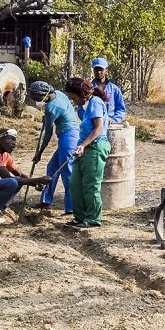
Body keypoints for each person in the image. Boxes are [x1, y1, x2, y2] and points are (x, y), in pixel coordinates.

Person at [63, 77, 111, 228]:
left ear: (81, 93)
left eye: (73, 96)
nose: (72, 99)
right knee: (75, 182)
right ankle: (79, 216)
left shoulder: (95, 102)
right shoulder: (82, 107)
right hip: (84, 147)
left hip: (96, 147)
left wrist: (83, 145)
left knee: (91, 185)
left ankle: (92, 218)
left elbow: (98, 128)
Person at [28, 81, 80, 215]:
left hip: (68, 137)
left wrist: (40, 152)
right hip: (67, 136)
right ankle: (46, 200)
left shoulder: (50, 108)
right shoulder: (58, 93)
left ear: (43, 96)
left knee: (67, 173)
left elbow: (48, 133)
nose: (37, 102)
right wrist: (48, 119)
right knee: (52, 168)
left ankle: (71, 208)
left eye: (37, 99)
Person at [91, 57, 128, 124]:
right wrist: (90, 120)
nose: (99, 72)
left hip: (110, 125)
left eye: (101, 69)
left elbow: (121, 109)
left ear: (106, 70)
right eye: (96, 69)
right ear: (93, 70)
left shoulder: (114, 89)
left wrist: (114, 120)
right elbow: (81, 109)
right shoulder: (88, 89)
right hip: (92, 126)